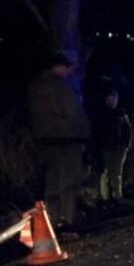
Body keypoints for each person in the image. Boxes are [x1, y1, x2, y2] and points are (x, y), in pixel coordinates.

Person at [28, 52, 91, 229]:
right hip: (68, 137)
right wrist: (85, 131)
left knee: (52, 180)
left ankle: (52, 219)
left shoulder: (36, 86)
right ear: (60, 67)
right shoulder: (63, 86)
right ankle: (69, 218)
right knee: (70, 179)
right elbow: (73, 113)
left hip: (45, 138)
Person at [94, 87, 132, 207]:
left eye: (113, 99)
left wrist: (126, 144)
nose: (112, 101)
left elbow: (127, 129)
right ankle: (105, 197)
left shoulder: (121, 113)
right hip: (106, 147)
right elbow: (97, 131)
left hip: (119, 147)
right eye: (109, 99)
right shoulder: (102, 114)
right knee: (105, 172)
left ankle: (117, 196)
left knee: (116, 172)